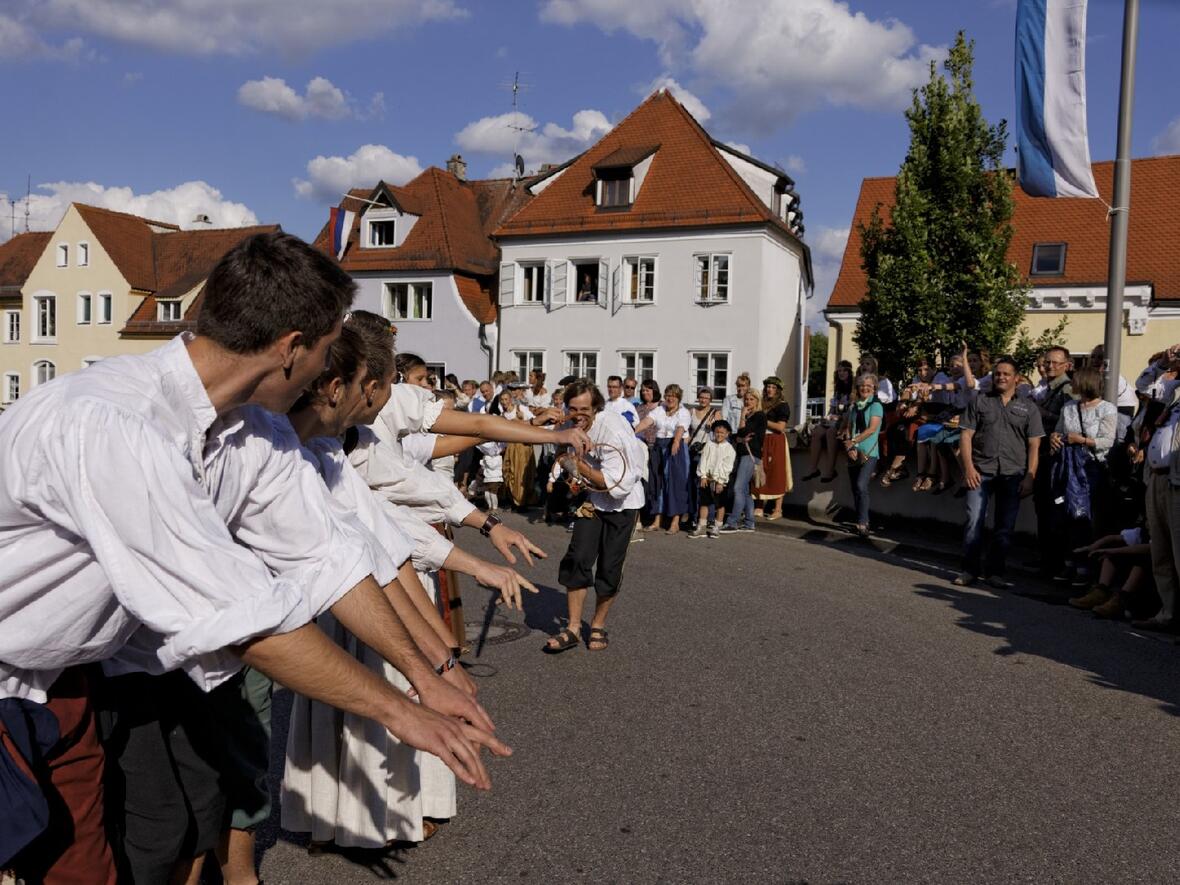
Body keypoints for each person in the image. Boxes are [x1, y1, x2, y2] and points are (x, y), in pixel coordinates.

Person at [0, 232, 505, 883]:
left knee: (88, 869)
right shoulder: (115, 424)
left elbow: (329, 558)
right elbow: (242, 618)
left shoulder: (250, 428)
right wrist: (401, 710)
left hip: (65, 676)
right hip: (17, 667)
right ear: (291, 347)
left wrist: (426, 674)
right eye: (327, 351)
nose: (328, 374)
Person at [543, 380, 646, 653]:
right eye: (572, 408)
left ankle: (598, 624)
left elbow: (618, 485)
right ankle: (573, 628)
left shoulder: (612, 429)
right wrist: (572, 474)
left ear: (596, 407)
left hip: (622, 502)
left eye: (585, 409)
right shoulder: (568, 424)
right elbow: (561, 453)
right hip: (592, 501)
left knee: (609, 569)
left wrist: (583, 470)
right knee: (577, 557)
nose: (578, 415)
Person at [954, 357, 1044, 588]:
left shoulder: (1028, 408)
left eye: (1006, 374)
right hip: (980, 471)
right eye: (997, 374)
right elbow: (965, 436)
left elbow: (1034, 445)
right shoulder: (980, 401)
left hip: (1013, 474)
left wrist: (1030, 476)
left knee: (1004, 527)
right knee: (974, 521)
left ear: (1017, 378)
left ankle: (995, 572)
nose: (1001, 377)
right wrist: (968, 468)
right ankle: (969, 570)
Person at [1048, 366, 1117, 589]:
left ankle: (1085, 567)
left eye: (1076, 379)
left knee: (1086, 519)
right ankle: (1070, 562)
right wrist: (1055, 439)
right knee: (1067, 514)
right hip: (1068, 468)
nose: (1072, 383)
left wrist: (1083, 440)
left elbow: (1108, 441)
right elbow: (1058, 431)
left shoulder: (1107, 409)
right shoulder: (1069, 407)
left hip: (1090, 470)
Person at [1033, 345, 1074, 576]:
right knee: (1042, 507)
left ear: (1067, 365)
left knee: (1054, 509)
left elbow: (1069, 420)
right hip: (1043, 453)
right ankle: (1046, 559)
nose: (1050, 366)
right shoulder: (1049, 388)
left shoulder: (1068, 390)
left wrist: (1038, 411)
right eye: (1047, 362)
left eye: (1056, 363)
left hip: (1056, 456)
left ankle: (1055, 562)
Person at [634, 383, 691, 534]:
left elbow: (681, 427)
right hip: (659, 446)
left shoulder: (684, 412)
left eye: (673, 396)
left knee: (675, 484)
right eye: (668, 395)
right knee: (657, 482)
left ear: (678, 397)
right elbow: (647, 421)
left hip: (675, 447)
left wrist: (677, 441)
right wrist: (632, 431)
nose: (670, 398)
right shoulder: (660, 409)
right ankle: (657, 520)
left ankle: (675, 521)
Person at [843, 374, 884, 538]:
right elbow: (849, 427)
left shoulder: (876, 405)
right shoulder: (854, 407)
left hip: (869, 452)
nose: (865, 388)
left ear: (874, 388)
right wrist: (849, 446)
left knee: (861, 486)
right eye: (862, 385)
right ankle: (859, 520)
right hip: (853, 452)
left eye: (869, 385)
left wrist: (853, 441)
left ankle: (863, 522)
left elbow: (872, 429)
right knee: (855, 489)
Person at [722, 390, 765, 533]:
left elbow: (742, 431)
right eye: (746, 399)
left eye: (751, 399)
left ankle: (732, 522)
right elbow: (736, 436)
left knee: (738, 488)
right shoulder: (750, 416)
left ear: (757, 401)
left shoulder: (759, 416)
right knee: (745, 491)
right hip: (743, 453)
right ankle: (749, 523)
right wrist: (741, 436)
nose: (747, 402)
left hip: (750, 455)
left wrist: (741, 417)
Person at [803, 360, 853, 482]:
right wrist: (827, 417)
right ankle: (813, 468)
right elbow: (833, 408)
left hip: (846, 422)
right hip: (834, 420)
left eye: (844, 370)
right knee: (817, 432)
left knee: (831, 432)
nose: (841, 373)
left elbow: (851, 410)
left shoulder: (854, 389)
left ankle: (831, 470)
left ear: (849, 372)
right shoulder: (838, 389)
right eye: (839, 371)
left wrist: (839, 418)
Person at [752, 376, 792, 519]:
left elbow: (780, 427)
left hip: (775, 440)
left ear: (778, 390)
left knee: (776, 473)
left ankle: (777, 509)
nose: (770, 389)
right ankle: (759, 506)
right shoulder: (761, 403)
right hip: (762, 439)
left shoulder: (782, 405)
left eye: (773, 387)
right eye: (768, 387)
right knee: (760, 471)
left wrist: (763, 420)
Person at [689, 421, 735, 538]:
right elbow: (703, 461)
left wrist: (721, 481)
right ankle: (702, 527)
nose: (719, 435)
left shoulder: (729, 449)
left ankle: (717, 527)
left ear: (727, 433)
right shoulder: (709, 444)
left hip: (719, 481)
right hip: (707, 479)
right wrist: (703, 476)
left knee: (720, 504)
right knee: (704, 503)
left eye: (722, 433)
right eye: (717, 432)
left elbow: (727, 466)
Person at [635, 379, 662, 530]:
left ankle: (657, 518)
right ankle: (642, 515)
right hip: (642, 447)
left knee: (657, 483)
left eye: (648, 390)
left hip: (657, 447)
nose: (645, 393)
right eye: (643, 390)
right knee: (643, 481)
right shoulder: (638, 408)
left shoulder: (661, 406)